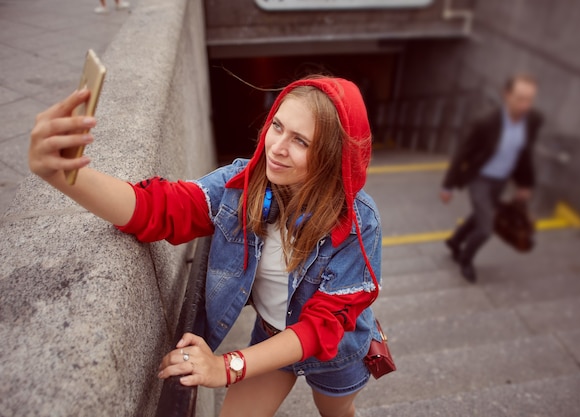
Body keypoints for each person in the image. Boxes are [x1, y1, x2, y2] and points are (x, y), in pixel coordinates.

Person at [29, 76, 382, 417]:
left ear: (331, 158)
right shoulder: (240, 185)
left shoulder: (358, 223)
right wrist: (65, 175)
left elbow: (321, 327)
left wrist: (228, 366)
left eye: (301, 142)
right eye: (277, 126)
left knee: (334, 411)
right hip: (271, 335)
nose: (277, 147)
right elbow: (160, 209)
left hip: (336, 351)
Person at [439, 73, 543, 283]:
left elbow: (525, 153)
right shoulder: (486, 122)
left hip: (502, 180)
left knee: (479, 214)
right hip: (480, 179)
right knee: (486, 227)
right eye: (520, 98)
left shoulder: (532, 121)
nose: (525, 105)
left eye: (529, 99)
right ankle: (465, 260)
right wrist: (448, 185)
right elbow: (463, 153)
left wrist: (525, 184)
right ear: (507, 95)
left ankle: (455, 240)